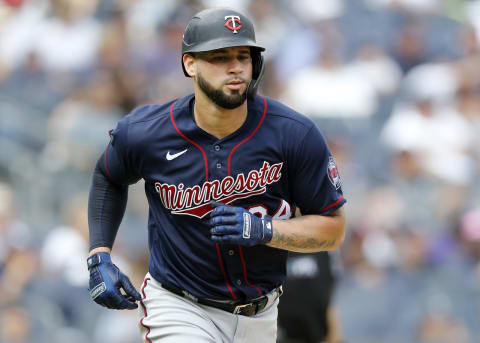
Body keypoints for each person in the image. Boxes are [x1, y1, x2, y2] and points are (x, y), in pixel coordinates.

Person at [86, 8, 346, 343]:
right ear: (190, 64)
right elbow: (108, 176)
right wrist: (99, 254)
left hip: (260, 313)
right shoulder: (147, 132)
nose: (235, 66)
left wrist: (265, 230)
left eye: (243, 56)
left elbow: (333, 228)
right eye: (219, 57)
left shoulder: (294, 134)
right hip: (178, 304)